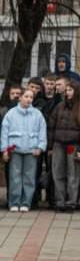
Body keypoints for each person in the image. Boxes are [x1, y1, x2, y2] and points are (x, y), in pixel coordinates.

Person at [0, 87, 48, 212]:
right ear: (20, 97)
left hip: (31, 150)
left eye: (31, 97)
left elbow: (42, 132)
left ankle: (26, 202)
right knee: (15, 177)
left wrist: (40, 147)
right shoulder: (11, 114)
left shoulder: (38, 114)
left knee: (29, 177)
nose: (29, 99)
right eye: (26, 97)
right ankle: (14, 202)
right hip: (15, 150)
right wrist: (4, 149)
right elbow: (4, 132)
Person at [47, 82, 80, 212]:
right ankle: (60, 202)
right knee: (58, 173)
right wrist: (50, 147)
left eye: (70, 90)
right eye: (66, 90)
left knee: (73, 175)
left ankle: (72, 202)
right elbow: (51, 127)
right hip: (58, 145)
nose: (67, 93)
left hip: (73, 146)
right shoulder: (59, 107)